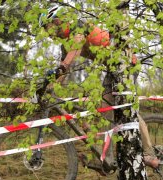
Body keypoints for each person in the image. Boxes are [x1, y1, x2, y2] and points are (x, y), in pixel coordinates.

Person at [37, 4, 160, 169]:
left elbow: (76, 46)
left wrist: (64, 66)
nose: (46, 33)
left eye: (47, 27)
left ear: (57, 20)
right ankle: (106, 160)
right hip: (114, 70)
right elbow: (62, 72)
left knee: (127, 109)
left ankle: (149, 153)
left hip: (126, 65)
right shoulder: (64, 44)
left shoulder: (77, 26)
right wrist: (49, 89)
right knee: (105, 112)